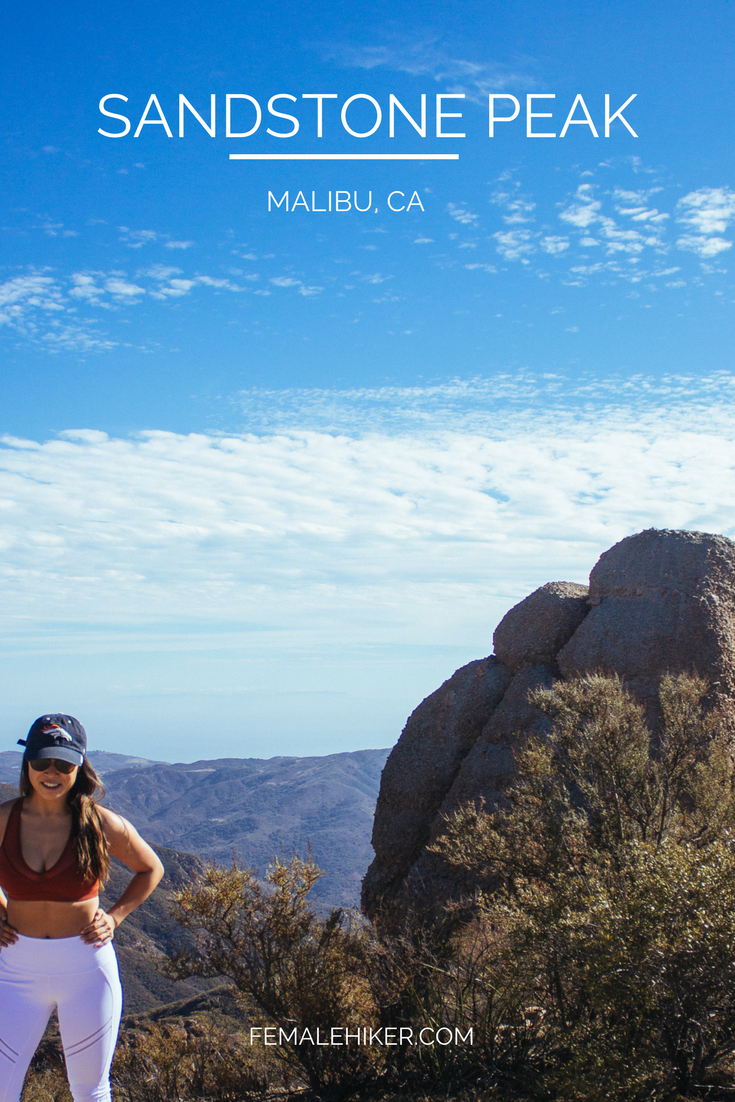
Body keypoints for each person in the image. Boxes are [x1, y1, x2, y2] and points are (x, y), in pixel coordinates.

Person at [0, 714, 164, 1102]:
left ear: (80, 766)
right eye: (41, 762)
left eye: (63, 763)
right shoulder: (4, 819)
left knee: (90, 1091)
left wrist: (115, 917)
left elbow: (150, 868)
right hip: (15, 969)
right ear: (28, 765)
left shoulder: (100, 823)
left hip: (87, 970)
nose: (51, 772)